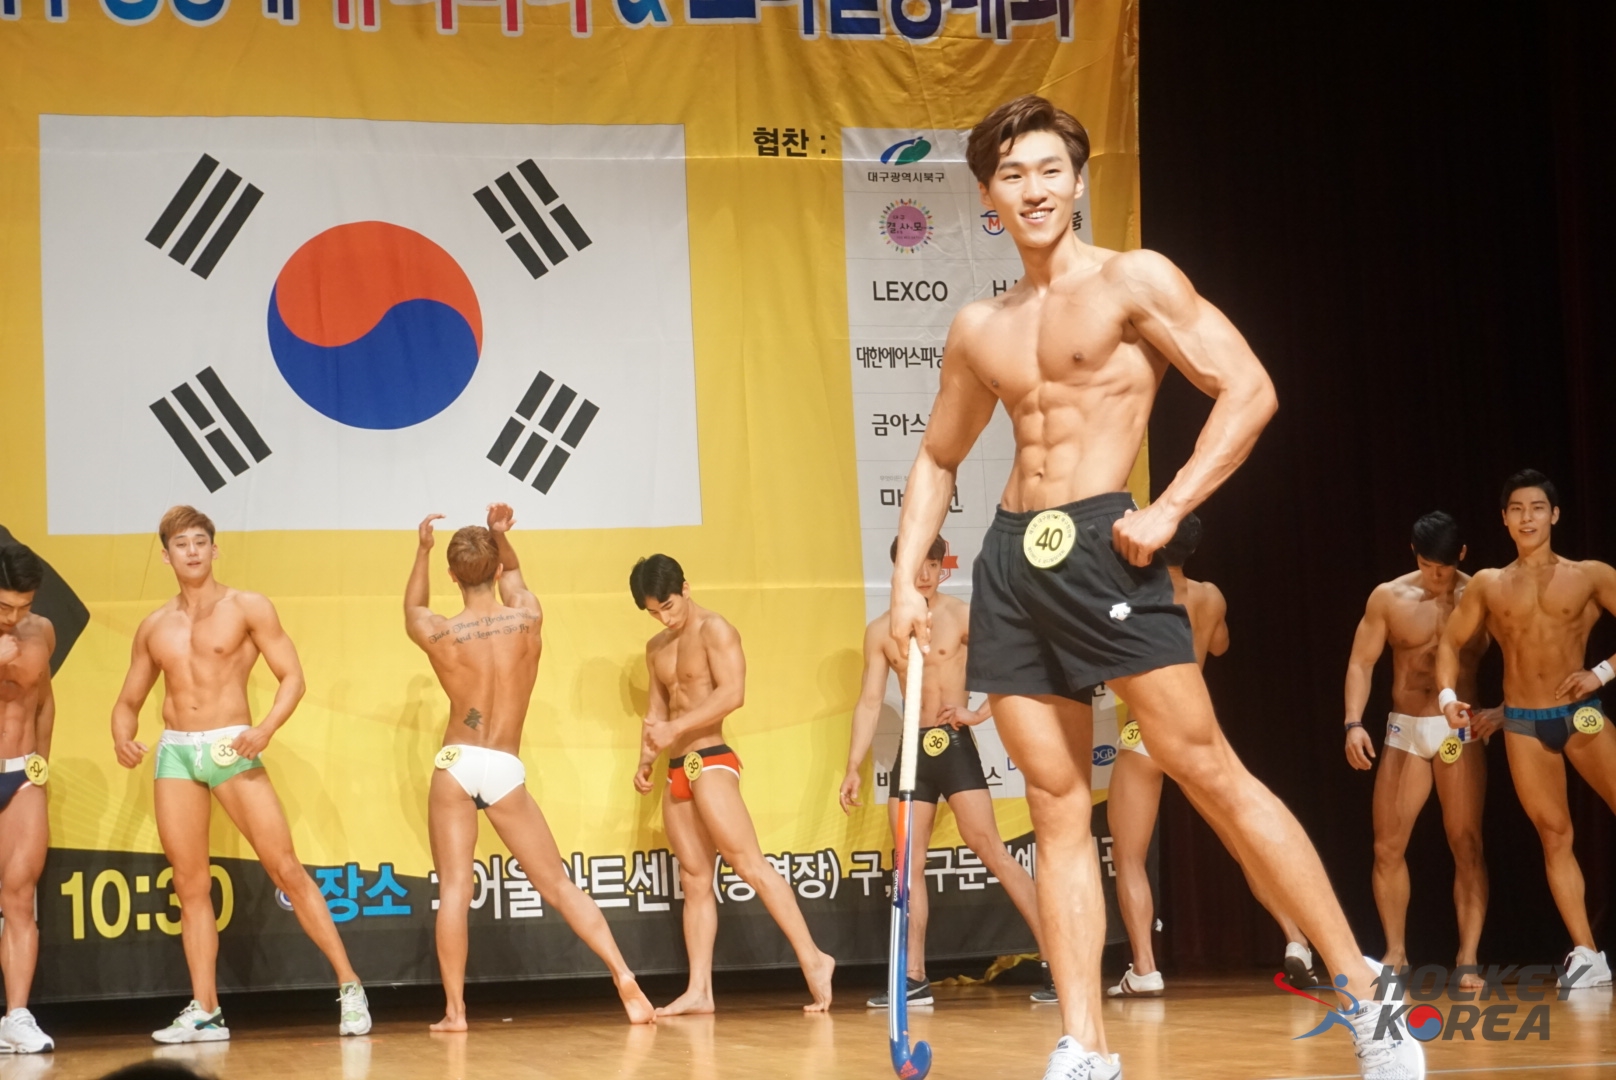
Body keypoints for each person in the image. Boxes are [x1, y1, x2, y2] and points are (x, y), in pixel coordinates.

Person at [887, 94, 1421, 1079]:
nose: (1032, 189)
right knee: (1054, 804)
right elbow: (936, 457)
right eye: (1011, 175)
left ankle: (1362, 989)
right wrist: (904, 586)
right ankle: (1084, 1044)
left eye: (1049, 170)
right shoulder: (980, 326)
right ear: (987, 196)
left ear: (1077, 181)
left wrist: (1169, 506)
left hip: (1107, 546)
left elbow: (1248, 387)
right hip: (1010, 558)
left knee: (1206, 768)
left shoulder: (1132, 279)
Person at [111, 506, 371, 1043]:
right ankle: (206, 1009)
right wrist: (123, 737)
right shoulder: (154, 625)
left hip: (231, 745)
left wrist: (266, 729)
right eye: (181, 544)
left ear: (214, 549)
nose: (191, 551)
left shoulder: (247, 607)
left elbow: (292, 677)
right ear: (166, 555)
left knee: (285, 868)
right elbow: (128, 700)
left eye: (199, 541)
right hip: (176, 752)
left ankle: (350, 985)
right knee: (190, 884)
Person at [405, 505, 654, 1029]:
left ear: (453, 576)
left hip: (458, 760)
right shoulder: (526, 616)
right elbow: (516, 574)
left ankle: (455, 1012)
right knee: (559, 885)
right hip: (503, 763)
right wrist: (500, 535)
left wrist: (423, 550)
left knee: (455, 891)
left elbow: (414, 607)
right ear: (497, 569)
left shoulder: (442, 632)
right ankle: (624, 976)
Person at [841, 535, 1044, 1008]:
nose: (925, 574)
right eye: (917, 564)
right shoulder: (881, 630)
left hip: (952, 745)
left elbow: (1012, 663)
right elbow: (870, 701)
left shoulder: (960, 615)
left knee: (992, 850)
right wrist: (852, 766)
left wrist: (979, 713)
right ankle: (913, 978)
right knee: (907, 863)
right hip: (912, 751)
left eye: (933, 565)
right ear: (900, 568)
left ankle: (1058, 960)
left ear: (942, 568)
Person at [630, 554, 836, 1015]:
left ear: (685, 588)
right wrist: (646, 758)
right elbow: (657, 712)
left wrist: (674, 730)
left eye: (668, 606)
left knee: (749, 864)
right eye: (654, 612)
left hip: (711, 759)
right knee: (694, 879)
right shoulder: (655, 647)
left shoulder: (716, 630)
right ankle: (700, 990)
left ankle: (814, 959)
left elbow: (732, 693)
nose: (665, 618)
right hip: (677, 766)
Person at [1438, 471, 1616, 990]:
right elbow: (1450, 643)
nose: (1527, 518)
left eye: (1537, 508)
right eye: (1516, 509)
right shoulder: (1490, 583)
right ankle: (1588, 952)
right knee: (1554, 836)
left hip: (1580, 716)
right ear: (1504, 519)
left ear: (1554, 515)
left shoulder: (1589, 575)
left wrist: (1601, 672)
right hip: (1522, 723)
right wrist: (1448, 698)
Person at [1344, 511, 1491, 990]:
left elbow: (1521, 652)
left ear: (1461, 556)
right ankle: (1396, 951)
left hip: (1458, 731)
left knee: (1466, 842)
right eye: (1428, 566)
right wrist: (1353, 723)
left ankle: (1468, 956)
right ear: (1415, 555)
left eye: (1445, 567)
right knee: (1387, 846)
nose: (1436, 576)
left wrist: (1505, 711)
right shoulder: (1389, 597)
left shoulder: (1481, 595)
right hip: (1405, 729)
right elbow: (1361, 663)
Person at [0, 543, 56, 1053]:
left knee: (20, 897)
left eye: (24, 606)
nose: (13, 618)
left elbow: (43, 701)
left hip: (20, 775)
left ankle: (16, 1016)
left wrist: (39, 768)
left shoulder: (41, 631)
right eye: (3, 607)